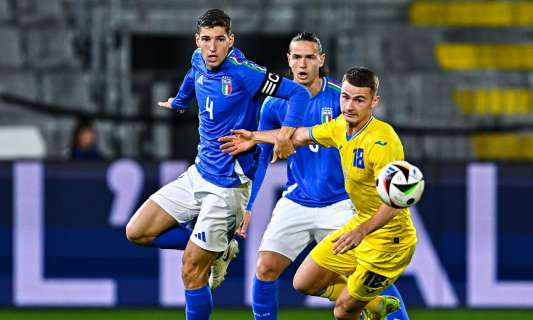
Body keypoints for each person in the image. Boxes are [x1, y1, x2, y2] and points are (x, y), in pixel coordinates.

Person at [124, 9, 310, 320]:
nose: (212, 47)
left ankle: (212, 247)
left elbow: (298, 93)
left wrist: (284, 135)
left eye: (219, 40)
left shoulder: (243, 72)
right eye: (206, 40)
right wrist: (180, 102)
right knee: (137, 232)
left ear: (230, 41)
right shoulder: (198, 59)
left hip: (228, 188)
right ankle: (219, 247)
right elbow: (191, 76)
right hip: (198, 174)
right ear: (197, 41)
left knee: (192, 271)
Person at [219, 34, 409, 320]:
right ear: (288, 60)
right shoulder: (274, 105)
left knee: (366, 274)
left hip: (340, 204)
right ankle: (371, 308)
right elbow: (261, 158)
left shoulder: (340, 99)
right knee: (265, 267)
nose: (303, 64)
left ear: (321, 60)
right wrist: (247, 205)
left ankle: (393, 314)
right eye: (297, 57)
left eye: (310, 57)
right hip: (297, 199)